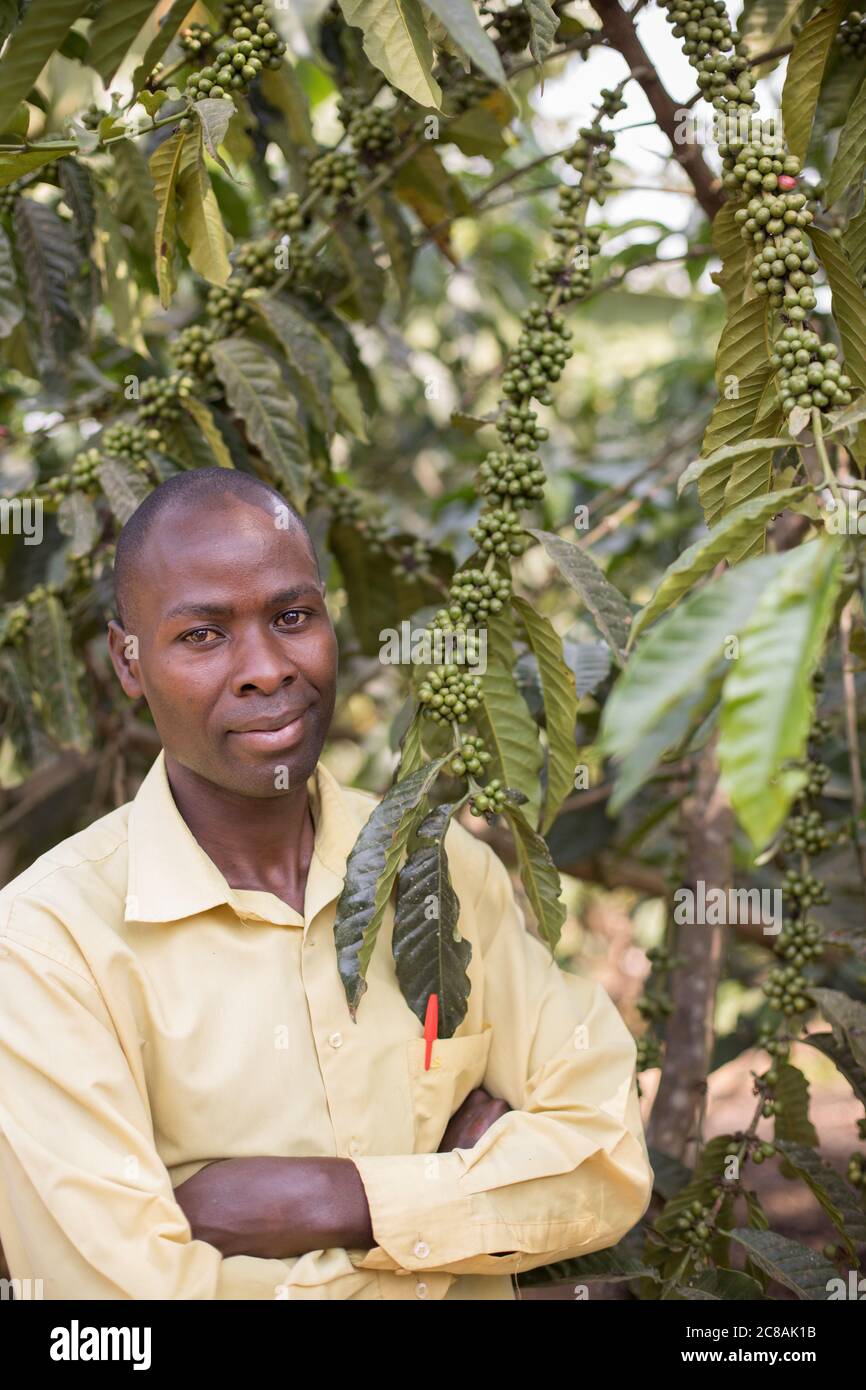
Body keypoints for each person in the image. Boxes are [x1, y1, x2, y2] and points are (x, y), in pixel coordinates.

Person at [0, 468, 653, 1301]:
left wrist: (331, 1199)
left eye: (292, 617)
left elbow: (602, 1150)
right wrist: (450, 1198)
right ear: (129, 662)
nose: (267, 669)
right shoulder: (46, 949)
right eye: (203, 635)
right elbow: (119, 1307)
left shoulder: (439, 868)